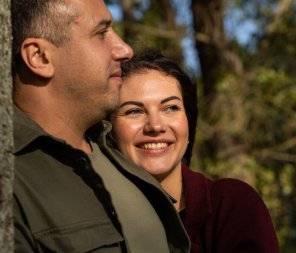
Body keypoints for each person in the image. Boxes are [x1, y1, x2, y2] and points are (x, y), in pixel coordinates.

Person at [11, 1, 189, 252]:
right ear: (40, 57)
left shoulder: (113, 152)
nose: (125, 50)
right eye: (102, 33)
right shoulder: (12, 177)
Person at [111, 52, 280, 253]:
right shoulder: (95, 215)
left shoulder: (233, 205)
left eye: (171, 108)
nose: (155, 126)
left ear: (189, 124)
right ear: (109, 129)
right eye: (133, 111)